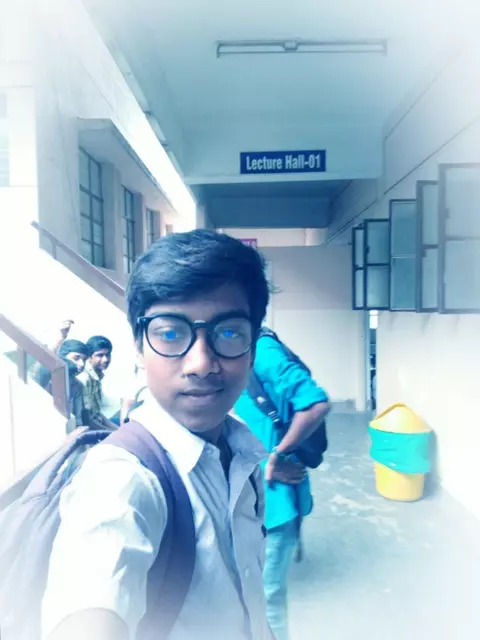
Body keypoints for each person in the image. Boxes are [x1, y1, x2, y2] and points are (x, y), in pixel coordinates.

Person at [42, 229, 273, 640]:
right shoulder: (121, 478)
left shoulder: (242, 454)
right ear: (138, 346)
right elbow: (91, 593)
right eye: (170, 333)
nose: (201, 363)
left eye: (228, 333)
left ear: (253, 347)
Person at [234, 332, 330, 640]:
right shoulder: (222, 351)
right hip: (240, 498)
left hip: (274, 502)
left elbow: (315, 404)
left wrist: (276, 456)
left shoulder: (262, 349)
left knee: (267, 596)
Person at [77, 335, 115, 429]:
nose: (106, 360)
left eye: (108, 354)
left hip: (99, 423)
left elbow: (96, 413)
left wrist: (116, 429)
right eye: (100, 355)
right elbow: (87, 419)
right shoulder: (85, 378)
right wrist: (111, 432)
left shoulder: (96, 376)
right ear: (89, 357)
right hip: (90, 429)